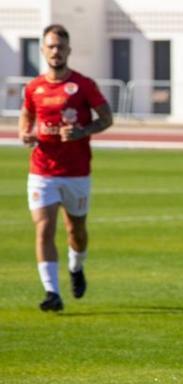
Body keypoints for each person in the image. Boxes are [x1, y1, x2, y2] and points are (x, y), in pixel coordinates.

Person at [18, 24, 113, 311]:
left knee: (76, 231)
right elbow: (26, 115)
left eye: (60, 46)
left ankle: (76, 267)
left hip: (76, 172)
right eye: (51, 46)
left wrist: (82, 131)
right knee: (44, 228)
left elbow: (106, 118)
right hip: (42, 171)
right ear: (43, 50)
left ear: (68, 50)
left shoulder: (83, 85)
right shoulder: (34, 87)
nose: (56, 51)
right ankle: (52, 293)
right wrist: (25, 133)